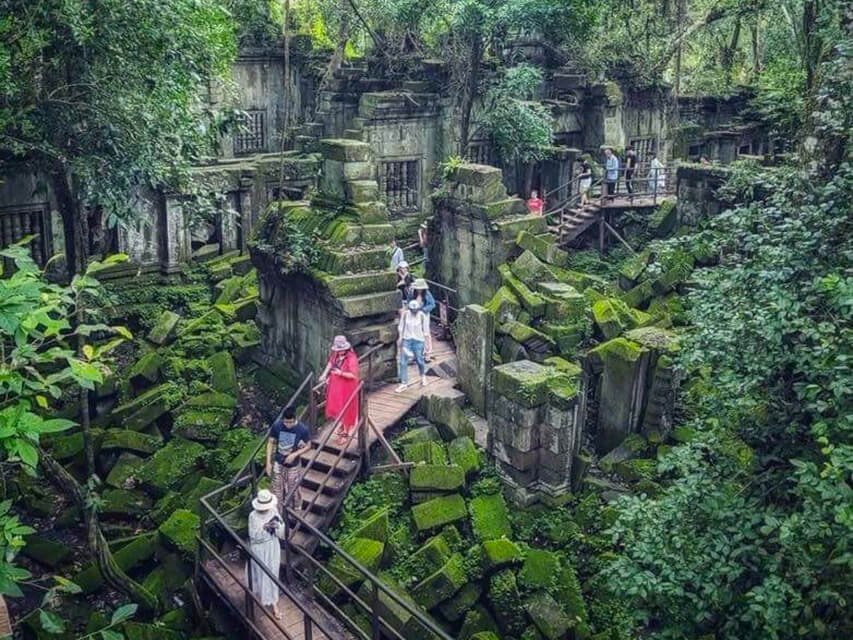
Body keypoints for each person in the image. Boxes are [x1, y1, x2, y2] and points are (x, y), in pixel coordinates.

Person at [246, 489, 285, 620]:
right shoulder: (253, 516)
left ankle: (274, 603)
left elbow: (282, 529)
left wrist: (277, 526)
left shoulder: (273, 510)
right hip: (259, 548)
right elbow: (253, 536)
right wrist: (265, 528)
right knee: (261, 572)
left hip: (272, 546)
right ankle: (260, 596)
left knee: (273, 572)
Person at [266, 406, 311, 515]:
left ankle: (297, 509)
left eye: (291, 422)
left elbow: (309, 445)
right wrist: (268, 463)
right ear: (283, 420)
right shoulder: (277, 426)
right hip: (278, 461)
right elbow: (270, 442)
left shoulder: (302, 429)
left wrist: (295, 454)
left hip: (293, 465)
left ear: (295, 419)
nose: (288, 425)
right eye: (286, 422)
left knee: (294, 489)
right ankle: (278, 512)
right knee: (276, 489)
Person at [318, 335, 360, 440]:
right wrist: (324, 375)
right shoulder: (336, 354)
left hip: (347, 387)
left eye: (342, 349)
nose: (340, 351)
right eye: (338, 349)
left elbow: (353, 375)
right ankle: (342, 425)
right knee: (338, 406)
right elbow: (330, 363)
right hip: (336, 386)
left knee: (346, 407)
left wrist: (340, 373)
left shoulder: (351, 358)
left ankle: (345, 433)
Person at [396, 300, 429, 392]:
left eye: (416, 310)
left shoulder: (422, 315)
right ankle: (404, 383)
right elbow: (401, 327)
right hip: (407, 339)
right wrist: (400, 338)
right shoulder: (405, 314)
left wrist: (427, 344)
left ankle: (422, 375)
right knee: (403, 361)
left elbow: (426, 331)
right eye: (412, 310)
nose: (414, 311)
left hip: (419, 340)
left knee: (419, 360)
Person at [410, 278, 435, 358]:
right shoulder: (412, 293)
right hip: (414, 314)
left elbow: (432, 304)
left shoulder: (427, 294)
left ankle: (428, 351)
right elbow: (408, 302)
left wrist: (423, 309)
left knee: (426, 332)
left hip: (424, 314)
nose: (418, 290)